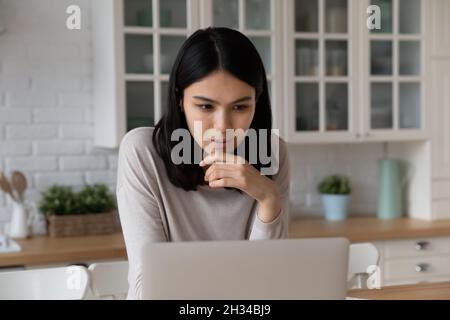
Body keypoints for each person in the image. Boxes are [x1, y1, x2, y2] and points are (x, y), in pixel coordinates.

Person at [116, 27, 290, 300]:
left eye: (240, 107)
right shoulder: (142, 152)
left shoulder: (272, 153)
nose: (222, 127)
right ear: (179, 99)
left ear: (257, 103)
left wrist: (268, 196)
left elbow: (267, 286)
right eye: (206, 107)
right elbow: (147, 291)